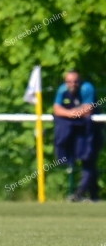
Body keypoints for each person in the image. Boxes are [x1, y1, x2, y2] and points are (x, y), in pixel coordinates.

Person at [53, 69, 102, 202]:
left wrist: (70, 113)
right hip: (76, 133)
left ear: (79, 81)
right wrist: (71, 113)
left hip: (91, 131)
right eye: (69, 81)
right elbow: (56, 109)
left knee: (89, 160)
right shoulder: (63, 90)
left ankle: (80, 193)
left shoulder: (87, 88)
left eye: (75, 81)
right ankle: (94, 196)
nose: (72, 84)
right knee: (87, 162)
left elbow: (87, 110)